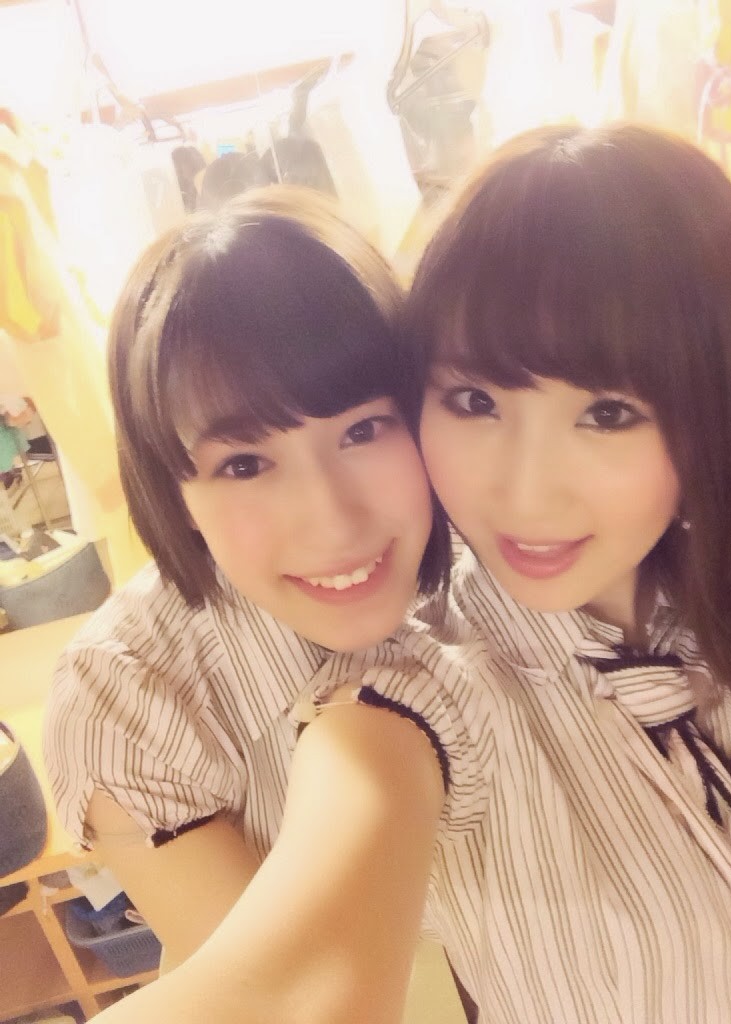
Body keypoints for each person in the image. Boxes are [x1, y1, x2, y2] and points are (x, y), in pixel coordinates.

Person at [84, 123, 731, 1024]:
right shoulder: (420, 694)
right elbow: (291, 988)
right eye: (476, 400)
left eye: (607, 413)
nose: (525, 493)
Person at [43, 186, 453, 1018]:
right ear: (173, 491)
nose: (333, 521)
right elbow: (287, 1002)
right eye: (244, 465)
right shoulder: (131, 696)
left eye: (364, 429)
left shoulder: (514, 567)